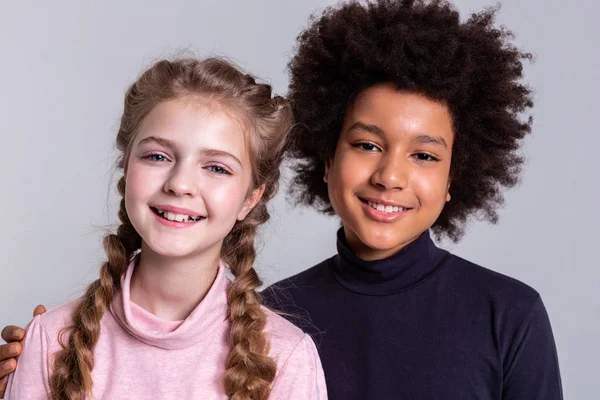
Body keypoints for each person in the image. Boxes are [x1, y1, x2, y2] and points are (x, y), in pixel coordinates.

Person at [1, 0, 564, 399]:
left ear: (455, 177)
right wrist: (38, 360)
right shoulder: (274, 316)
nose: (390, 175)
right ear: (325, 156)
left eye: (424, 155)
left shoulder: (507, 316)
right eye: (367, 144)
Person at [1, 57, 326, 400]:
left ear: (250, 198)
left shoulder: (287, 359)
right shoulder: (48, 341)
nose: (180, 184)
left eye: (216, 167)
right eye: (157, 157)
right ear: (126, 170)